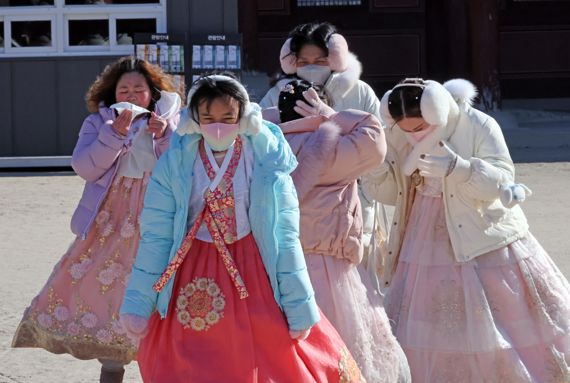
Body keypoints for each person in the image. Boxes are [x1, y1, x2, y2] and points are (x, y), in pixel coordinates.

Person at [119, 74, 365, 383]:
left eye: (227, 117)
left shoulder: (264, 159)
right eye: (208, 118)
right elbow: (157, 234)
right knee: (190, 354)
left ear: (244, 116)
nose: (217, 125)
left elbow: (284, 236)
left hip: (254, 261)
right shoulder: (176, 162)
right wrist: (139, 303)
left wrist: (298, 306)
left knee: (272, 346)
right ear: (193, 118)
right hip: (192, 265)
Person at [362, 78, 570, 382]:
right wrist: (377, 169)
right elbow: (395, 193)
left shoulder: (477, 123)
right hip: (422, 229)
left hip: (482, 231)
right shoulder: (396, 132)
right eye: (406, 130)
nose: (413, 136)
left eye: (419, 128)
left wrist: (459, 168)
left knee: (504, 318)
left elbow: (502, 178)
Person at [12, 56, 182, 383]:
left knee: (157, 288)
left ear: (153, 92)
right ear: (113, 93)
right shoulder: (98, 123)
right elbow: (85, 168)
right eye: (124, 89)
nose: (132, 95)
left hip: (156, 216)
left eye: (139, 89)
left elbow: (181, 172)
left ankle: (158, 362)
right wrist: (113, 136)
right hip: (111, 217)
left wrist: (164, 137)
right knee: (103, 284)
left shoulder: (173, 120)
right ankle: (112, 366)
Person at [262, 78, 411, 382]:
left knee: (284, 346)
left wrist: (271, 116)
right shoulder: (339, 147)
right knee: (344, 346)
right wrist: (330, 115)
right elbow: (372, 134)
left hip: (274, 263)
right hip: (330, 262)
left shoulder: (263, 146)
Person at [259, 21, 387, 288]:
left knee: (349, 275)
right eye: (304, 60)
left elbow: (378, 141)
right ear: (292, 61)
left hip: (348, 196)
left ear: (335, 58)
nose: (312, 66)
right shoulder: (278, 94)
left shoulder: (358, 91)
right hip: (298, 197)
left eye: (320, 59)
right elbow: (261, 138)